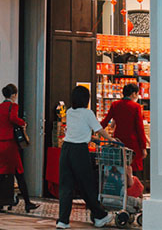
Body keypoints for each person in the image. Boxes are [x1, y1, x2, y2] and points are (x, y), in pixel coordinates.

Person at [56, 85, 114, 230]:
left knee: (66, 187)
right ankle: (100, 216)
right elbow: (99, 129)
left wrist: (90, 138)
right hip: (79, 151)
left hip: (66, 150)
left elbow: (78, 130)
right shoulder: (88, 113)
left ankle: (63, 221)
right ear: (86, 99)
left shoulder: (69, 112)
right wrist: (111, 140)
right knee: (86, 185)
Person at [0, 83, 36, 213]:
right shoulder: (13, 106)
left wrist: (0, 130)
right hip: (10, 144)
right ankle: (27, 203)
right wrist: (23, 123)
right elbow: (13, 118)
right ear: (13, 95)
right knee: (19, 173)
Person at [100, 83, 148, 177]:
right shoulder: (136, 107)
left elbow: (105, 122)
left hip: (118, 141)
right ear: (133, 94)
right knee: (131, 169)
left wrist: (94, 129)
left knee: (119, 167)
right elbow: (140, 129)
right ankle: (131, 189)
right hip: (132, 143)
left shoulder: (115, 104)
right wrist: (143, 147)